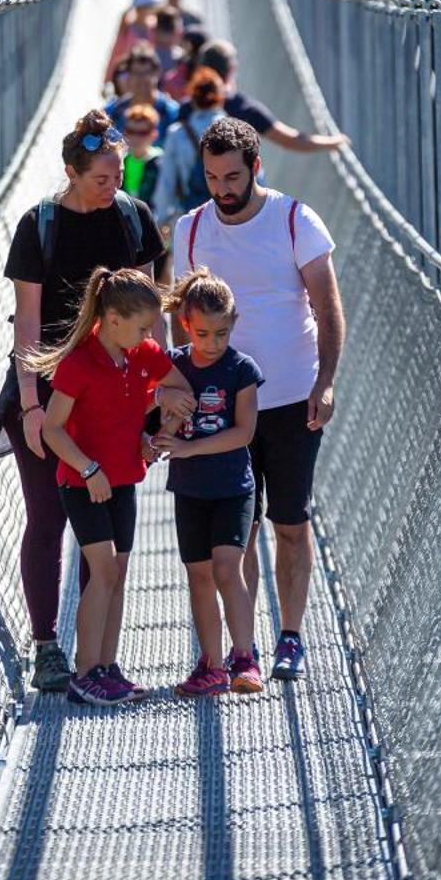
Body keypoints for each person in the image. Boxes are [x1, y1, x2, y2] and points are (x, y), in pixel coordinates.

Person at [2, 110, 168, 693]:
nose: (113, 186)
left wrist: (156, 400)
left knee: (109, 528)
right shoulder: (38, 225)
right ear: (71, 173)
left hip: (116, 393)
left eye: (119, 174)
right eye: (101, 177)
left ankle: (102, 660)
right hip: (49, 390)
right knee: (47, 515)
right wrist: (29, 404)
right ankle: (48, 646)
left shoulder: (131, 217)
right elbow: (27, 322)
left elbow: (149, 318)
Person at [173, 118, 344, 682]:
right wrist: (177, 394)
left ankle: (290, 636)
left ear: (256, 168)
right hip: (220, 406)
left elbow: (327, 307)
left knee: (289, 521)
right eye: (212, 177)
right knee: (236, 529)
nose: (222, 188)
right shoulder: (192, 229)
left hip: (293, 398)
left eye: (232, 176)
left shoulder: (296, 220)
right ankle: (241, 652)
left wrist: (326, 382)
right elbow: (181, 320)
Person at [22, 268, 196, 707]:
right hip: (84, 484)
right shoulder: (78, 363)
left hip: (124, 479)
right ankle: (84, 674)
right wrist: (87, 468)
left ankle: (107, 667)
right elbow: (54, 431)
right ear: (112, 319)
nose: (148, 335)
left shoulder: (143, 354)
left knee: (117, 574)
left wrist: (157, 433)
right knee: (102, 572)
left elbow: (182, 389)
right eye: (141, 327)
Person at [155, 270, 266, 697]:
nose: (212, 343)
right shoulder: (174, 366)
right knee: (198, 575)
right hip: (190, 489)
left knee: (226, 568)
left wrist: (188, 449)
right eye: (202, 333)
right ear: (185, 324)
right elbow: (161, 422)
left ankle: (245, 657)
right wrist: (161, 432)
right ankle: (211, 665)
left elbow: (243, 433)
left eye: (221, 333)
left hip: (233, 486)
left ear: (234, 322)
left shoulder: (242, 370)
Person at [193, 40, 346, 154]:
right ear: (232, 69)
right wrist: (333, 142)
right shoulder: (242, 108)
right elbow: (291, 140)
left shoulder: (189, 107)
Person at [154, 66, 226, 229]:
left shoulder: (178, 133)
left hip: (189, 217)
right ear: (220, 97)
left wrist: (161, 219)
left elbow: (167, 181)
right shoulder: (234, 130)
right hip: (226, 218)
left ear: (192, 97)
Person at [106, 43, 181, 137]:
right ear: (128, 75)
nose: (141, 79)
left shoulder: (172, 112)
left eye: (147, 73)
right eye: (136, 73)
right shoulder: (113, 110)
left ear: (157, 73)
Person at [120, 103, 166, 208]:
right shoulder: (118, 161)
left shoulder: (162, 162)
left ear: (154, 134)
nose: (135, 138)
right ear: (124, 132)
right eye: (131, 131)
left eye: (142, 133)